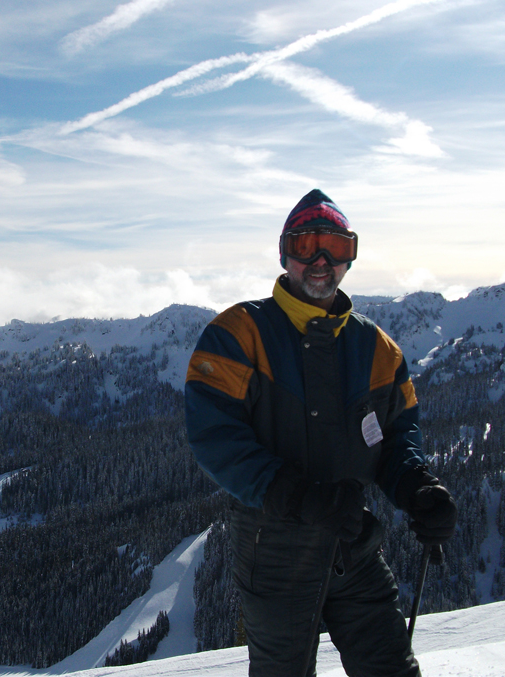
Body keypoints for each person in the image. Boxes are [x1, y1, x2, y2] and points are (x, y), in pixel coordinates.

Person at [185, 189, 457, 677]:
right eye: (306, 245)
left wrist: (418, 489)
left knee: (392, 667)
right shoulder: (238, 333)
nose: (321, 261)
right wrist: (293, 494)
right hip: (274, 553)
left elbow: (397, 438)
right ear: (285, 254)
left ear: (351, 258)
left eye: (336, 247)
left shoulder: (379, 350)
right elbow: (214, 436)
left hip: (353, 544)